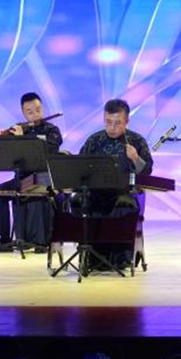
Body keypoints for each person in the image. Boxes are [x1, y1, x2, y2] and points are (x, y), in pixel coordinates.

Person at [76, 98, 153, 271]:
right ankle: (90, 256)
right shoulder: (94, 140)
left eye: (118, 123)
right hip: (96, 192)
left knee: (124, 204)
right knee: (78, 201)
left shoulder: (136, 141)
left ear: (127, 121)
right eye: (108, 122)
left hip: (123, 192)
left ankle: (119, 259)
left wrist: (135, 158)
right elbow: (80, 166)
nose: (112, 127)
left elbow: (147, 171)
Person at [0, 92, 63, 253]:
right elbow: (6, 154)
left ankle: (41, 239)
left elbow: (48, 150)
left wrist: (23, 139)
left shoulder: (52, 130)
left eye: (38, 110)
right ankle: (4, 239)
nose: (35, 114)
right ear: (23, 113)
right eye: (30, 112)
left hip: (43, 179)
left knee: (32, 190)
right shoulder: (19, 129)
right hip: (21, 179)